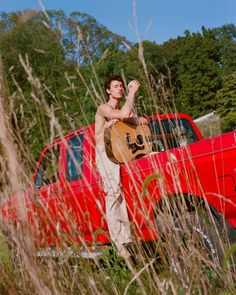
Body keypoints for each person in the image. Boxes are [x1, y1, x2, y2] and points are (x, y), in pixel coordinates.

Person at [95, 74, 148, 260]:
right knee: (114, 194)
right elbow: (124, 114)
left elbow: (139, 120)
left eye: (121, 86)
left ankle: (127, 239)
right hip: (105, 155)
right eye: (116, 86)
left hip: (120, 154)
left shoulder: (122, 109)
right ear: (108, 90)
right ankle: (119, 243)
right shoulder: (104, 108)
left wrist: (140, 119)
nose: (120, 88)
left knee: (123, 196)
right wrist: (132, 93)